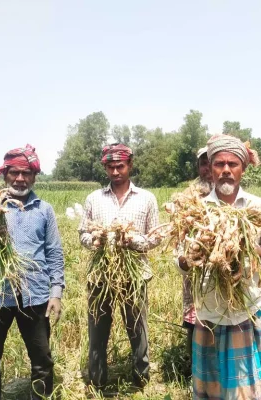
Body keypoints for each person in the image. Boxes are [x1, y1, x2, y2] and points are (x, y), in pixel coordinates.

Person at [178, 134, 261, 399]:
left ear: (242, 169)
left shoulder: (259, 208)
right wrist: (194, 254)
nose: (226, 170)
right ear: (211, 169)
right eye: (219, 164)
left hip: (248, 309)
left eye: (232, 164)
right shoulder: (196, 211)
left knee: (254, 388)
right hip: (209, 312)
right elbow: (180, 262)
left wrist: (244, 243)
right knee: (212, 389)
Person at [0, 144, 65, 400]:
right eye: (14, 173)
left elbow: (54, 253)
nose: (20, 179)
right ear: (5, 174)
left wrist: (56, 293)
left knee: (42, 358)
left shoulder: (44, 210)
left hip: (35, 296)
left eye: (27, 173)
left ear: (34, 176)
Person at [78, 143, 160, 391]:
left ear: (130, 165)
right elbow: (82, 234)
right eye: (111, 167)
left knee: (137, 329)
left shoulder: (147, 198)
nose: (115, 172)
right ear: (105, 167)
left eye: (120, 166)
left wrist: (134, 241)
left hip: (135, 276)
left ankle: (140, 379)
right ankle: (98, 381)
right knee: (98, 329)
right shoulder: (94, 198)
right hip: (101, 276)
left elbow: (155, 237)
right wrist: (96, 240)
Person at [182, 146, 214, 364]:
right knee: (194, 317)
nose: (208, 169)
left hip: (222, 268)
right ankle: (194, 369)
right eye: (204, 164)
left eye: (213, 163)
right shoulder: (188, 198)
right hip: (194, 269)